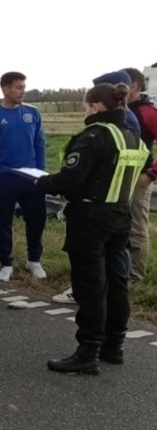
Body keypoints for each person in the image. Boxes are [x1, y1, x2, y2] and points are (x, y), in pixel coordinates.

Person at [36, 83, 149, 375]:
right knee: (116, 283)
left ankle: (88, 350)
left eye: (87, 105)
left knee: (90, 286)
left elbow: (71, 181)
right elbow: (145, 163)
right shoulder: (132, 135)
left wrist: (41, 183)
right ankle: (115, 346)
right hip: (120, 215)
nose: (85, 110)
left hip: (90, 216)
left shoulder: (94, 136)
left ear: (96, 106)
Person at [52, 70, 147, 304]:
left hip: (100, 204)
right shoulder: (126, 119)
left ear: (95, 106)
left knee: (97, 267)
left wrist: (47, 183)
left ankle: (92, 320)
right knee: (115, 263)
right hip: (118, 201)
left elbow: (84, 172)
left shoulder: (104, 131)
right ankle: (113, 304)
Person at [0, 72, 47, 282]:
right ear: (5, 89)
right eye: (18, 87)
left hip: (30, 177)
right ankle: (6, 263)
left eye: (23, 86)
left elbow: (39, 144)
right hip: (2, 177)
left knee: (36, 219)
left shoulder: (32, 113)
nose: (22, 91)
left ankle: (34, 260)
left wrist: (41, 172)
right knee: (3, 223)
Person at [124, 68, 157, 283]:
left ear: (135, 85)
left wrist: (151, 174)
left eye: (122, 83)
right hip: (119, 178)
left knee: (136, 228)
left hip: (139, 179)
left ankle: (136, 277)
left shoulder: (148, 112)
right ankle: (121, 272)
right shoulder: (121, 110)